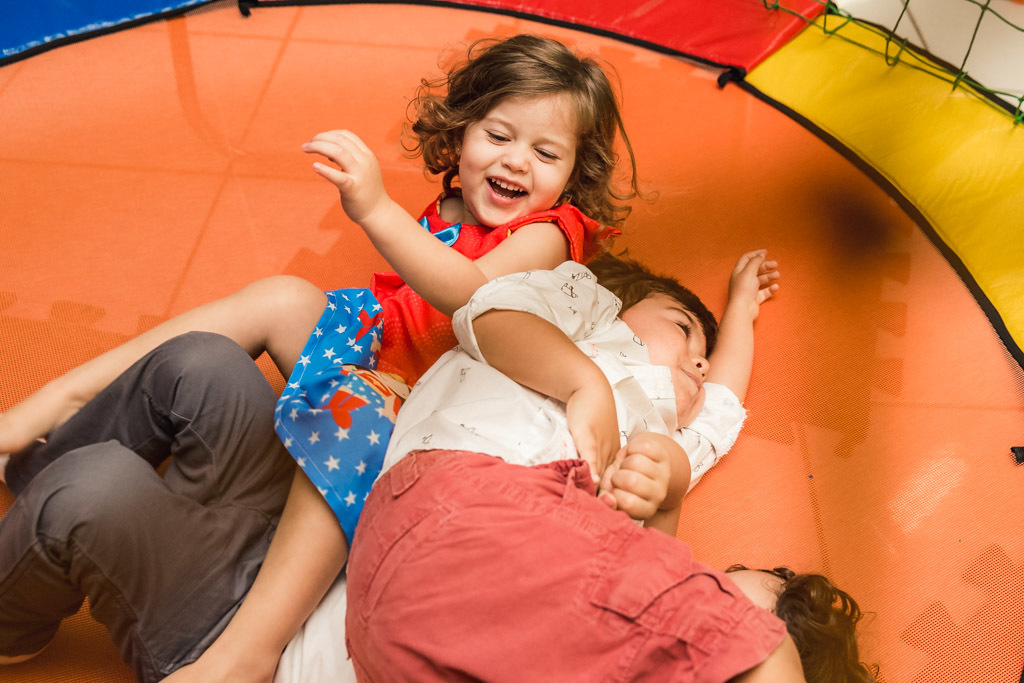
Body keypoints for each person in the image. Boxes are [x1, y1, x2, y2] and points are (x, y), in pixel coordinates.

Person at [0, 33, 639, 680]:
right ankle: (53, 413)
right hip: (379, 356)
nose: (518, 161)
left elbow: (471, 294)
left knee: (363, 407)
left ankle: (248, 649)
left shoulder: (550, 235)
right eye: (499, 136)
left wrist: (374, 210)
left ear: (572, 175)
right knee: (283, 297)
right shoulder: (456, 201)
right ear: (461, 130)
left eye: (546, 152)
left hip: (417, 418)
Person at [339, 255, 878, 680]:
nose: (699, 360)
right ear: (620, 304)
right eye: (683, 328)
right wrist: (584, 382)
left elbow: (721, 402)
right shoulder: (591, 320)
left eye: (705, 356)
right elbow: (486, 312)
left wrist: (742, 310)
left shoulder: (660, 445)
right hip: (457, 506)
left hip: (438, 639)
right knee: (761, 653)